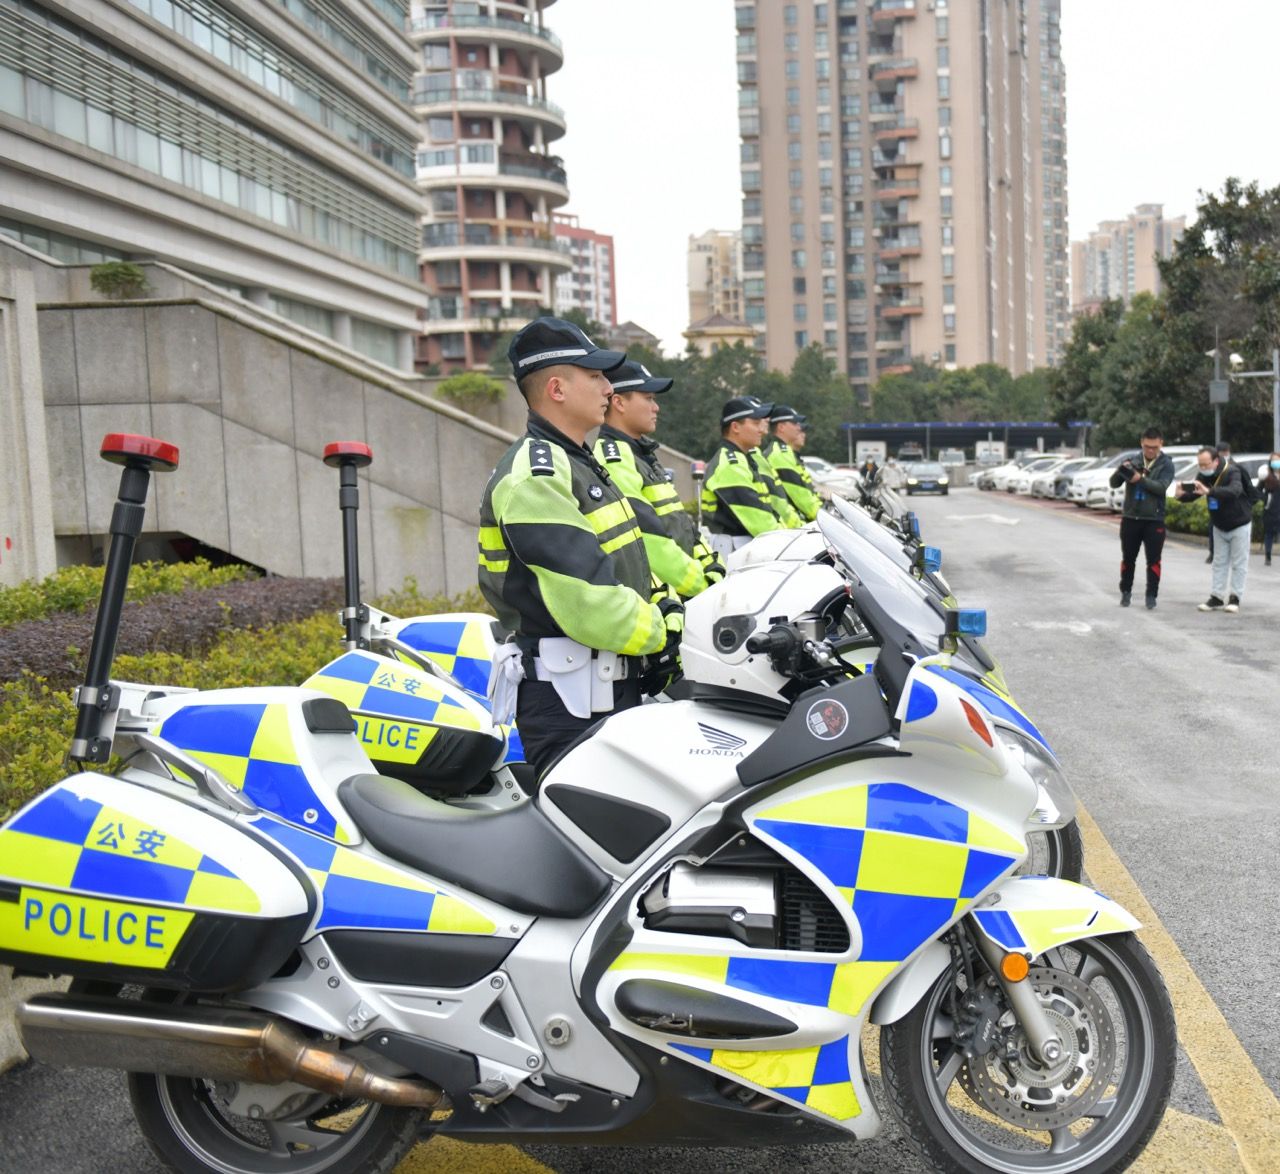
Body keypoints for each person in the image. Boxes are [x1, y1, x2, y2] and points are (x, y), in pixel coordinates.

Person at [478, 317, 682, 777]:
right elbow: (591, 605)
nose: (609, 387)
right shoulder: (537, 474)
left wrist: (667, 607)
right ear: (557, 389)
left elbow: (626, 561)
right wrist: (669, 633)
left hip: (605, 689)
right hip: (571, 704)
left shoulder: (578, 463)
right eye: (595, 376)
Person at [594, 360, 725, 598]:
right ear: (619, 402)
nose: (656, 408)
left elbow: (681, 525)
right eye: (648, 398)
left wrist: (710, 564)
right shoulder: (614, 457)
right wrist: (702, 583)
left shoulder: (642, 454)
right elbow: (648, 540)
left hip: (682, 590)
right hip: (664, 599)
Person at [701, 396, 788, 559]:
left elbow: (766, 515)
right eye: (755, 423)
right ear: (735, 427)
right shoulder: (730, 465)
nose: (762, 430)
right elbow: (761, 524)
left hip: (744, 551)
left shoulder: (741, 459)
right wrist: (791, 542)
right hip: (735, 554)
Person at [1177, 445, 1251, 613]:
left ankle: (1235, 598)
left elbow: (1235, 491)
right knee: (1219, 562)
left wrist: (1210, 491)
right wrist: (1180, 495)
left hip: (1240, 523)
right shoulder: (1203, 475)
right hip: (1219, 525)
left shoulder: (1232, 471)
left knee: (1239, 563)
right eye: (1200, 465)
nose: (1203, 468)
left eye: (1205, 464)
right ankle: (1217, 597)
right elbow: (1195, 493)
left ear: (1216, 461)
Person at [1109, 427, 1175, 609]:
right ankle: (1125, 592)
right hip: (1131, 517)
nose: (1150, 450)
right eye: (1147, 447)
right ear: (1141, 443)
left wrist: (1139, 479)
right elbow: (1113, 484)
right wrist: (1121, 470)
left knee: (1153, 560)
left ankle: (1151, 595)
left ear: (1161, 444)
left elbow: (1161, 488)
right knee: (1128, 558)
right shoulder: (1134, 460)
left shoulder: (1166, 464)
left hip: (1154, 520)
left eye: (1154, 447)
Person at [762, 405, 822, 523]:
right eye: (794, 423)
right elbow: (800, 495)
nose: (799, 428)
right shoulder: (779, 454)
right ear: (781, 427)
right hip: (793, 525)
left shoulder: (783, 451)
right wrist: (824, 516)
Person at [1261, 453, 1280, 567]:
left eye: (1277, 460)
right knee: (1269, 534)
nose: (1276, 462)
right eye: (1273, 460)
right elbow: (1258, 490)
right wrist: (1265, 499)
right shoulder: (1266, 476)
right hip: (1271, 509)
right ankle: (1268, 555)